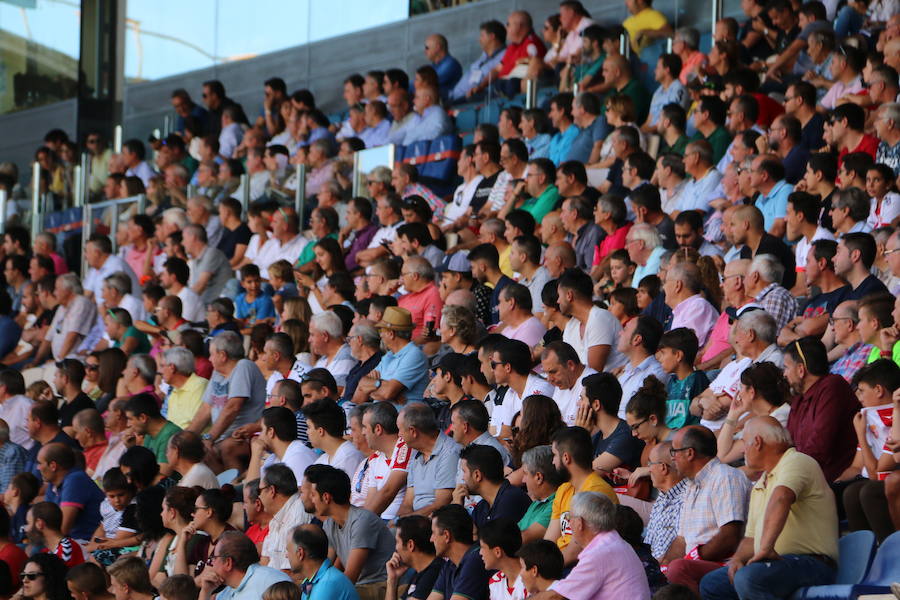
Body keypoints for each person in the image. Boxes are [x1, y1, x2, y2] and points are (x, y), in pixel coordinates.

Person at [699, 417, 839, 599]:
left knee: (748, 578)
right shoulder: (760, 483)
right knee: (711, 584)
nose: (743, 450)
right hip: (778, 565)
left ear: (757, 442)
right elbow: (750, 539)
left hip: (812, 563)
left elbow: (781, 498)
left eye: (744, 443)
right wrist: (738, 559)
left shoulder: (796, 460)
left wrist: (765, 548)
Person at [662, 426, 751, 594]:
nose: (672, 458)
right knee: (660, 571)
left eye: (674, 451)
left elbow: (729, 536)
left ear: (690, 453)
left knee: (678, 568)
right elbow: (681, 540)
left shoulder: (726, 477)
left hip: (725, 564)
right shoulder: (690, 484)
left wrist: (693, 558)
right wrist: (662, 565)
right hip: (694, 563)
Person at [530, 492, 651, 600]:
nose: (568, 524)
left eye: (569, 518)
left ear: (580, 523)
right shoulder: (611, 541)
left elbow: (556, 597)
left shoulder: (600, 553)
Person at [304, 465, 394, 600]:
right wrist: (306, 588)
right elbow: (324, 568)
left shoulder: (362, 521)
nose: (312, 500)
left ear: (326, 497)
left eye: (313, 495)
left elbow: (350, 577)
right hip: (359, 586)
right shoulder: (330, 523)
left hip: (380, 587)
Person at [783, 337, 859, 482]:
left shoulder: (833, 386)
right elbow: (788, 443)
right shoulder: (800, 397)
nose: (784, 374)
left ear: (801, 369)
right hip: (805, 476)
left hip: (833, 481)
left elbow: (819, 447)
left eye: (786, 367)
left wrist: (790, 473)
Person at [188, 331, 266, 471]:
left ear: (223, 355)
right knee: (193, 451)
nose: (209, 359)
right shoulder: (217, 372)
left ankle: (233, 490)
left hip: (245, 436)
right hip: (221, 437)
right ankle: (220, 488)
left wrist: (209, 438)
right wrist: (186, 437)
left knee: (223, 448)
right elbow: (206, 409)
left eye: (212, 354)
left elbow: (233, 407)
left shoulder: (244, 366)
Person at [544, 426, 618, 565]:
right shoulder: (564, 489)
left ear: (566, 457)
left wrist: (545, 570)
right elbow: (549, 540)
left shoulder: (597, 492)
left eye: (554, 455)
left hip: (582, 567)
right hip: (559, 564)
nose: (553, 462)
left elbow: (576, 552)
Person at [398, 403, 461, 517]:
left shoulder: (449, 452)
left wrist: (406, 521)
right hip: (414, 522)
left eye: (400, 430)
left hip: (434, 523)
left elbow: (441, 504)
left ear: (413, 431)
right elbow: (407, 502)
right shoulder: (416, 455)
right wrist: (400, 522)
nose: (399, 435)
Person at [558, 268, 624, 373]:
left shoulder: (600, 318)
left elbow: (594, 372)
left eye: (559, 296)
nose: (558, 301)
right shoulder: (571, 325)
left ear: (569, 295)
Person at [38, 442, 105, 542]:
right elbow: (46, 520)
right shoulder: (53, 483)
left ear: (53, 466)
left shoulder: (76, 479)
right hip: (69, 542)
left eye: (40, 463)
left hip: (87, 543)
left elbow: (62, 529)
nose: (38, 468)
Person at [199, 531, 292, 600]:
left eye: (214, 558)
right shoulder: (228, 591)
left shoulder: (270, 581)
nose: (212, 564)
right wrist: (205, 592)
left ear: (228, 563)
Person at [457, 444, 531, 528]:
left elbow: (495, 540)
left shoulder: (511, 499)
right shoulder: (481, 507)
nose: (462, 478)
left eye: (464, 471)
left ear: (477, 475)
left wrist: (458, 510)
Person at [429, 504, 490, 600]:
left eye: (433, 533)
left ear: (446, 536)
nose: (431, 539)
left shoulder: (476, 559)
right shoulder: (449, 564)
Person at [259, 463, 311, 570]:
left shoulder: (298, 511)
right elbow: (264, 562)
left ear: (272, 491)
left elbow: (292, 571)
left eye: (259, 491)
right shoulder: (275, 520)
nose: (258, 496)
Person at [286, 524, 359, 600]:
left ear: (300, 553)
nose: (286, 555)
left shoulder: (328, 583)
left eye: (288, 550)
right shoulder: (313, 580)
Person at [385, 515, 442, 600]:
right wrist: (392, 580)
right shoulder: (420, 572)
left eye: (397, 542)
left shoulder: (433, 573)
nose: (396, 548)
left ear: (410, 545)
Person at [124, 393, 180, 477]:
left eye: (130, 419)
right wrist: (133, 448)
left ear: (143, 418)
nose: (128, 424)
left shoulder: (170, 435)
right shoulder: (149, 434)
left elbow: (162, 477)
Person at [306, 399, 364, 476]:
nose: (307, 432)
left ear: (320, 431)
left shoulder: (349, 456)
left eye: (309, 427)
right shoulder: (322, 459)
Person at [26, 501, 86, 566]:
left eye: (28, 523)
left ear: (39, 523)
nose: (26, 529)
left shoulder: (66, 549)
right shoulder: (46, 552)